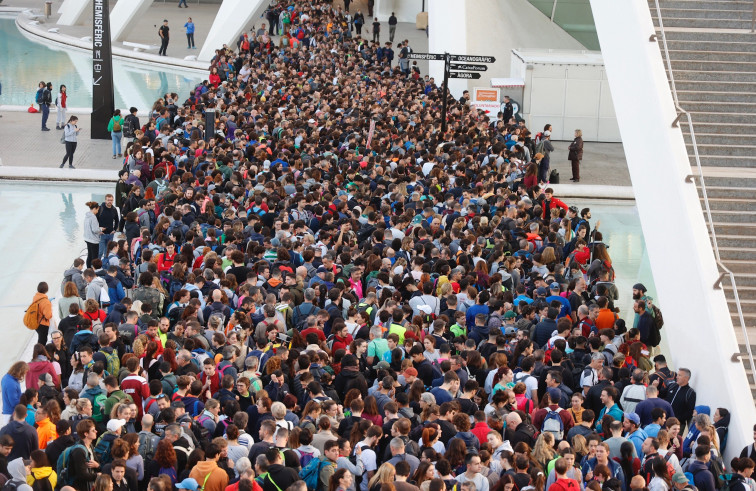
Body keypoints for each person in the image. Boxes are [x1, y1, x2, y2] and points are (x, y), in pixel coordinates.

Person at [83, 201, 103, 268]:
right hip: (93, 240)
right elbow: (95, 229)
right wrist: (101, 229)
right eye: (97, 209)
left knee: (89, 256)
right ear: (95, 208)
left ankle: (88, 269)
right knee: (94, 257)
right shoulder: (93, 217)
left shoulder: (87, 216)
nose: (97, 211)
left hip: (87, 238)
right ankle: (93, 270)